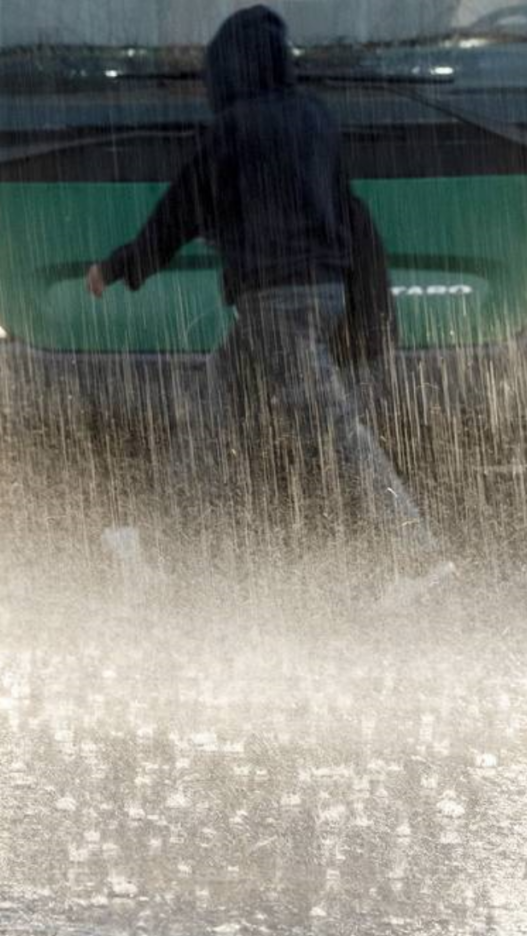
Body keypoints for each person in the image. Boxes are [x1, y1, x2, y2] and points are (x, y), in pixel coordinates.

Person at [87, 4, 450, 580]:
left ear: (229, 71)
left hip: (274, 300)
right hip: (321, 293)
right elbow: (351, 216)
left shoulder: (235, 130)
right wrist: (366, 307)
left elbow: (179, 212)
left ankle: (419, 557)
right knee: (213, 401)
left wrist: (119, 266)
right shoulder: (316, 120)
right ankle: (156, 546)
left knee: (335, 431)